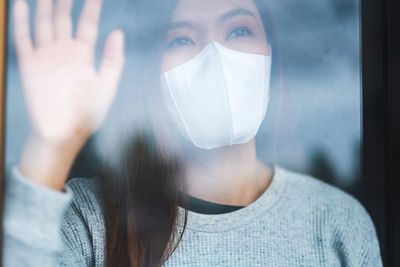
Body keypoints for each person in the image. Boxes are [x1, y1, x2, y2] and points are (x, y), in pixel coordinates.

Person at [3, 0, 382, 266]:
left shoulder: (337, 222)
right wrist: (50, 149)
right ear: (151, 70)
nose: (215, 55)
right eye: (181, 39)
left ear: (270, 53)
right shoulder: (90, 222)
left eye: (238, 30)